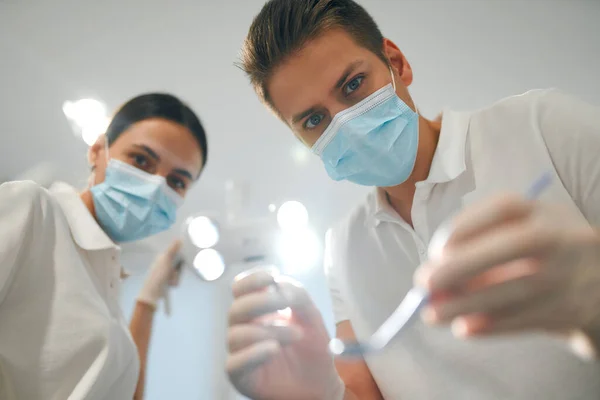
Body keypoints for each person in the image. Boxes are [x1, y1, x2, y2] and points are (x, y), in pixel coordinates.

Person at [225, 1, 600, 399]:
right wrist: (317, 393)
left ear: (396, 63)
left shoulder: (541, 126)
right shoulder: (343, 248)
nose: (346, 125)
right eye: (315, 120)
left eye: (353, 85)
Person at [0, 93, 208, 400]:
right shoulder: (34, 212)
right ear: (98, 151)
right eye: (141, 160)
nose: (155, 187)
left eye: (177, 181)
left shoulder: (106, 284)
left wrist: (148, 299)